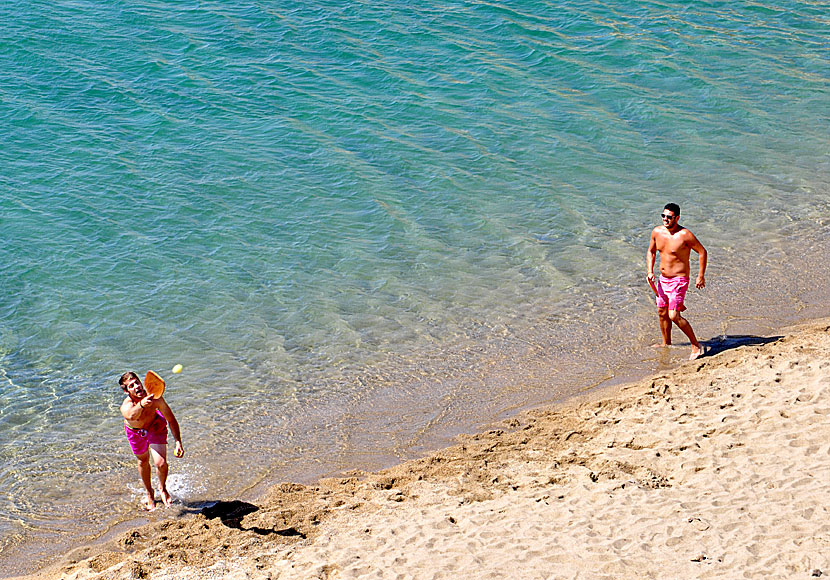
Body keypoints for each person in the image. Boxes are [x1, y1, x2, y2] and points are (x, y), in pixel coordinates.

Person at [646, 203, 708, 360]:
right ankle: (666, 343)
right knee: (662, 312)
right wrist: (649, 271)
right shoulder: (657, 232)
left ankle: (695, 345)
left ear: (677, 218)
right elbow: (651, 251)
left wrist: (700, 275)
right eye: (663, 216)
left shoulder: (685, 235)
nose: (665, 219)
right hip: (662, 280)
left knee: (673, 315)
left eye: (669, 217)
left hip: (679, 280)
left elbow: (702, 252)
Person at [119, 371, 184, 511]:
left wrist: (178, 441)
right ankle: (149, 492)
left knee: (160, 463)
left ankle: (163, 488)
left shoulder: (156, 399)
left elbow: (171, 420)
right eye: (131, 385)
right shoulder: (127, 405)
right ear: (127, 391)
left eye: (137, 382)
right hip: (135, 432)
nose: (137, 386)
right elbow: (131, 415)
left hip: (155, 426)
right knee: (143, 460)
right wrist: (142, 404)